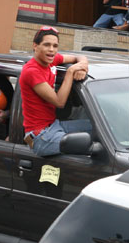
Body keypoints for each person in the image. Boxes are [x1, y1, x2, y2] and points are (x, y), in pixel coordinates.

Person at [20, 26, 91, 157]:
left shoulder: (51, 60)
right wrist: (71, 72)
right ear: (35, 46)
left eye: (55, 45)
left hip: (53, 125)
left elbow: (79, 56)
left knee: (96, 129)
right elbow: (59, 102)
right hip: (40, 137)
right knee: (89, 148)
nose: (51, 50)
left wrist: (83, 67)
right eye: (47, 45)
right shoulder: (31, 71)